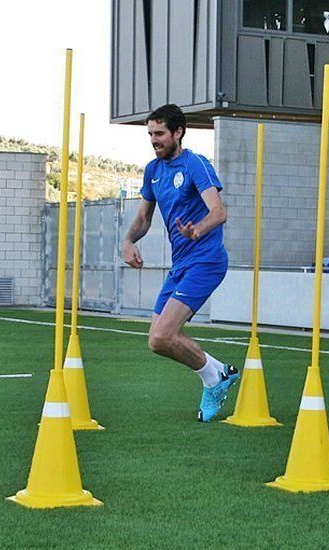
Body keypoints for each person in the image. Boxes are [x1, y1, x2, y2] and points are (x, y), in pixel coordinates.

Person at [121, 104, 239, 422]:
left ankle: (213, 381)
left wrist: (197, 230)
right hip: (181, 264)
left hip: (207, 261)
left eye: (159, 133)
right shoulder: (153, 171)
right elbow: (144, 218)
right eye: (150, 134)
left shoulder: (196, 165)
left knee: (163, 335)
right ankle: (219, 372)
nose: (154, 140)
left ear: (178, 132)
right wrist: (128, 241)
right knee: (156, 341)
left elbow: (219, 212)